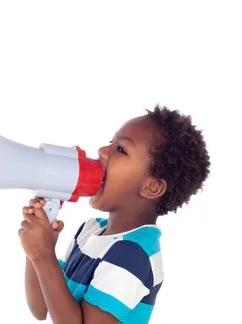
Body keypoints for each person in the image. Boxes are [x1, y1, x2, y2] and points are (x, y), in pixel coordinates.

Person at [19, 105, 210, 323]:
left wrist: (43, 256)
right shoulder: (90, 230)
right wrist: (37, 250)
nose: (102, 150)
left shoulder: (134, 255)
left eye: (121, 150)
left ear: (152, 187)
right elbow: (41, 307)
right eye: (111, 142)